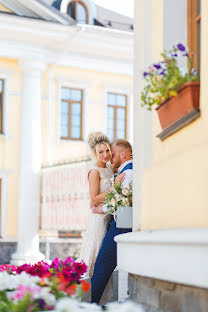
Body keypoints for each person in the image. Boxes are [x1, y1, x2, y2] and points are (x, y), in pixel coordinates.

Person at [79, 132, 125, 304]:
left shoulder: (109, 168)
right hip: (97, 220)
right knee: (96, 254)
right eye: (101, 152)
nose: (105, 155)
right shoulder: (94, 171)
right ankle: (87, 299)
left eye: (107, 151)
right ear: (95, 154)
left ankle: (104, 300)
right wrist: (116, 188)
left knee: (104, 258)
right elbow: (94, 199)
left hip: (108, 217)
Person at [90, 139, 133, 304]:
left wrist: (104, 208)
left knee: (102, 265)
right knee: (104, 267)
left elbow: (124, 200)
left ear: (122, 154)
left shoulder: (128, 173)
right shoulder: (123, 172)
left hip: (121, 225)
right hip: (117, 223)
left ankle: (88, 305)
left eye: (112, 153)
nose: (109, 157)